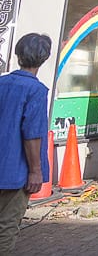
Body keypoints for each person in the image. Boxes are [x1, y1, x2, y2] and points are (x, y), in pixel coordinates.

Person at [0, 33, 52, 255]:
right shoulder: (36, 90)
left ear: (18, 54)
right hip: (16, 171)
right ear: (44, 58)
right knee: (6, 226)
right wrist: (36, 171)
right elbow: (32, 133)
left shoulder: (2, 83)